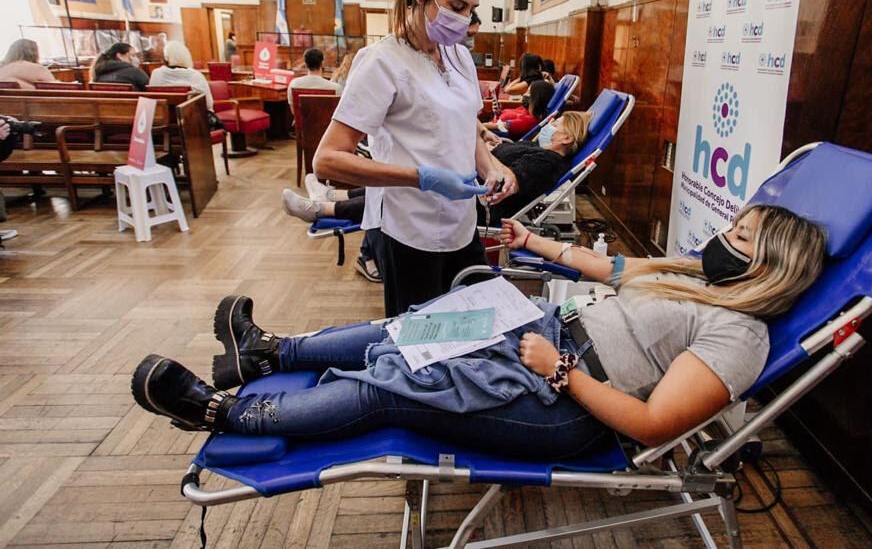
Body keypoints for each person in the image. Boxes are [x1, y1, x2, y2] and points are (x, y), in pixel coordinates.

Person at [130, 205, 827, 462]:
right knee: (408, 328)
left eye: (738, 236)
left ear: (767, 267)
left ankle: (226, 413)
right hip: (547, 333)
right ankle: (268, 353)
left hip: (568, 402)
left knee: (392, 391)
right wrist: (537, 244)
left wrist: (562, 371)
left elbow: (650, 425)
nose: (721, 239)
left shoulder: (741, 335)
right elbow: (608, 265)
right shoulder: (697, 279)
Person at [310, 0, 516, 316]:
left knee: (470, 328)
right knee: (418, 339)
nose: (466, 19)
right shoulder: (382, 62)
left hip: (460, 223)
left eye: (472, 9)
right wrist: (422, 177)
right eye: (457, 6)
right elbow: (326, 161)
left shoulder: (458, 58)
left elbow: (464, 124)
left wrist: (492, 167)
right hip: (410, 230)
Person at [284, 111, 592, 229]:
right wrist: (490, 140)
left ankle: (321, 208)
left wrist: (486, 155)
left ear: (565, 139)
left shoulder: (548, 162)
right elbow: (502, 159)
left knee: (411, 192)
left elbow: (504, 182)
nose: (550, 126)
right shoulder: (537, 150)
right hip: (467, 178)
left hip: (475, 202)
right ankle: (332, 193)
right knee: (404, 180)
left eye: (558, 125)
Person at [149, 41, 214, 109]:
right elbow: (208, 104)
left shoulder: (156, 74)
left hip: (165, 117)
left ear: (166, 57)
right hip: (191, 118)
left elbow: (153, 102)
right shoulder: (195, 75)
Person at [484, 79, 554, 140]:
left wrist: (477, 125)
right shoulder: (524, 110)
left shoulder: (529, 120)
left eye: (528, 92)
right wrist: (497, 112)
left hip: (491, 135)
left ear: (536, 98)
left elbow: (498, 126)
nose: (524, 94)